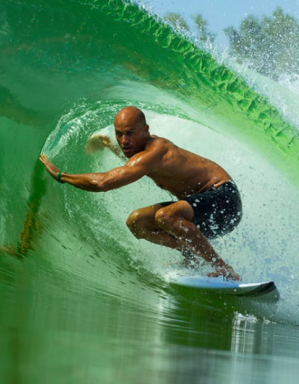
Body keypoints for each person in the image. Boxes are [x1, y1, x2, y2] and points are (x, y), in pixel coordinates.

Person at [38, 106, 241, 280]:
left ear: (146, 130)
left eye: (130, 133)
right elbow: (131, 166)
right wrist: (108, 144)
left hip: (224, 199)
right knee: (137, 222)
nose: (124, 140)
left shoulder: (156, 150)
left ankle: (221, 267)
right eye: (119, 134)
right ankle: (191, 254)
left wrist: (61, 175)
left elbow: (104, 182)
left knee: (166, 215)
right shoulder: (142, 156)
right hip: (201, 212)